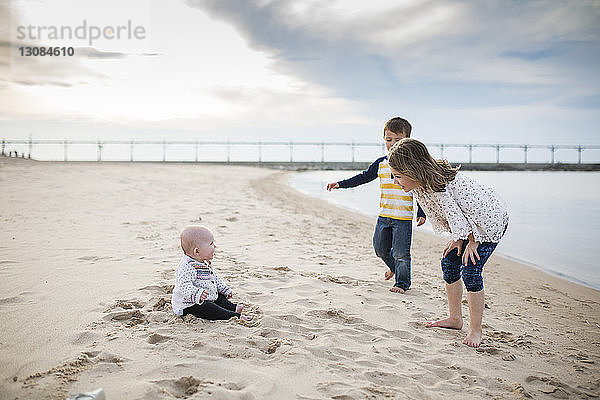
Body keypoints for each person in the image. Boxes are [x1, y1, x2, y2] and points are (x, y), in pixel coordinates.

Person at [387, 138, 509, 347]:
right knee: (449, 262)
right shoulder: (419, 186)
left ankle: (476, 331)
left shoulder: (439, 186)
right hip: (469, 226)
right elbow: (452, 217)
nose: (396, 181)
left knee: (471, 270)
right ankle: (455, 319)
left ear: (413, 170)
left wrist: (471, 240)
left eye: (398, 176)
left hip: (488, 224)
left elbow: (463, 213)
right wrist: (458, 238)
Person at [327, 117, 426, 293]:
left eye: (399, 140)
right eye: (389, 140)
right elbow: (363, 177)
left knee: (401, 253)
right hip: (384, 215)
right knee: (380, 249)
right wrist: (340, 184)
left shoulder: (412, 166)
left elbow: (420, 191)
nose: (393, 144)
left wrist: (422, 212)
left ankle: (402, 283)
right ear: (384, 140)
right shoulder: (381, 163)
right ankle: (395, 269)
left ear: (408, 141)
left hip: (403, 218)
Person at [171, 225, 252, 321]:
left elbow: (214, 278)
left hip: (204, 296)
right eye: (211, 244)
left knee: (219, 296)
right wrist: (197, 293)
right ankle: (234, 316)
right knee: (210, 308)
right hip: (189, 304)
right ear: (197, 251)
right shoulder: (187, 266)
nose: (215, 246)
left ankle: (233, 308)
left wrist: (224, 288)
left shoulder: (203, 261)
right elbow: (183, 285)